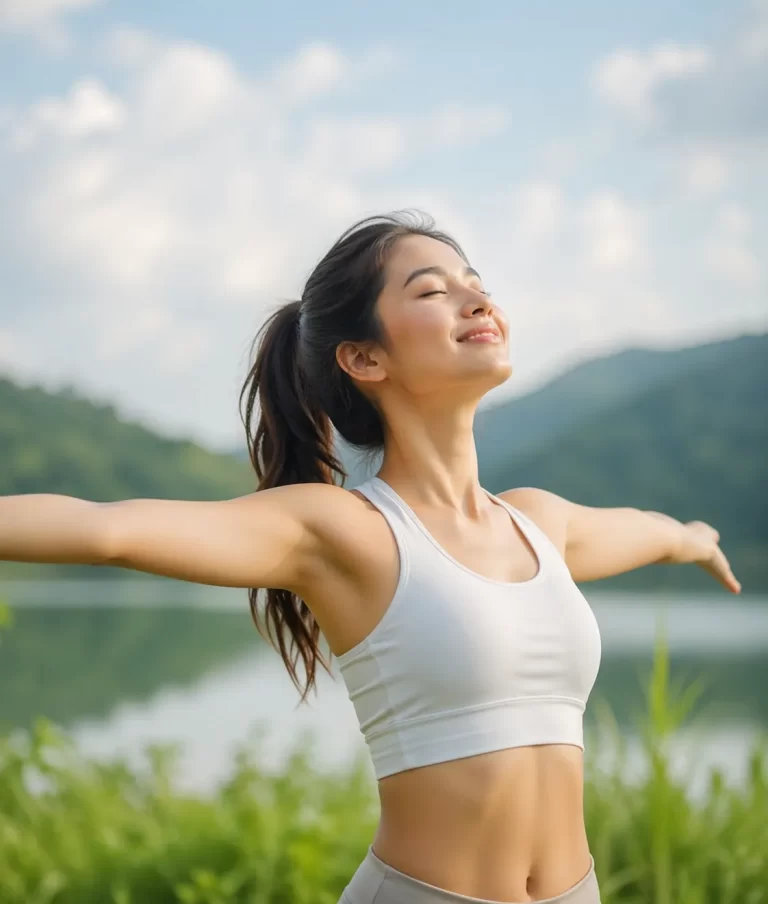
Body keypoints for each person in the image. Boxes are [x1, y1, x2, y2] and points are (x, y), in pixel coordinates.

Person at [0, 211, 741, 904]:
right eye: (433, 290)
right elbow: (106, 530)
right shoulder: (345, 532)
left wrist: (697, 539)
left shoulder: (539, 523)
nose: (477, 300)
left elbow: (654, 531)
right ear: (362, 357)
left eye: (477, 284)